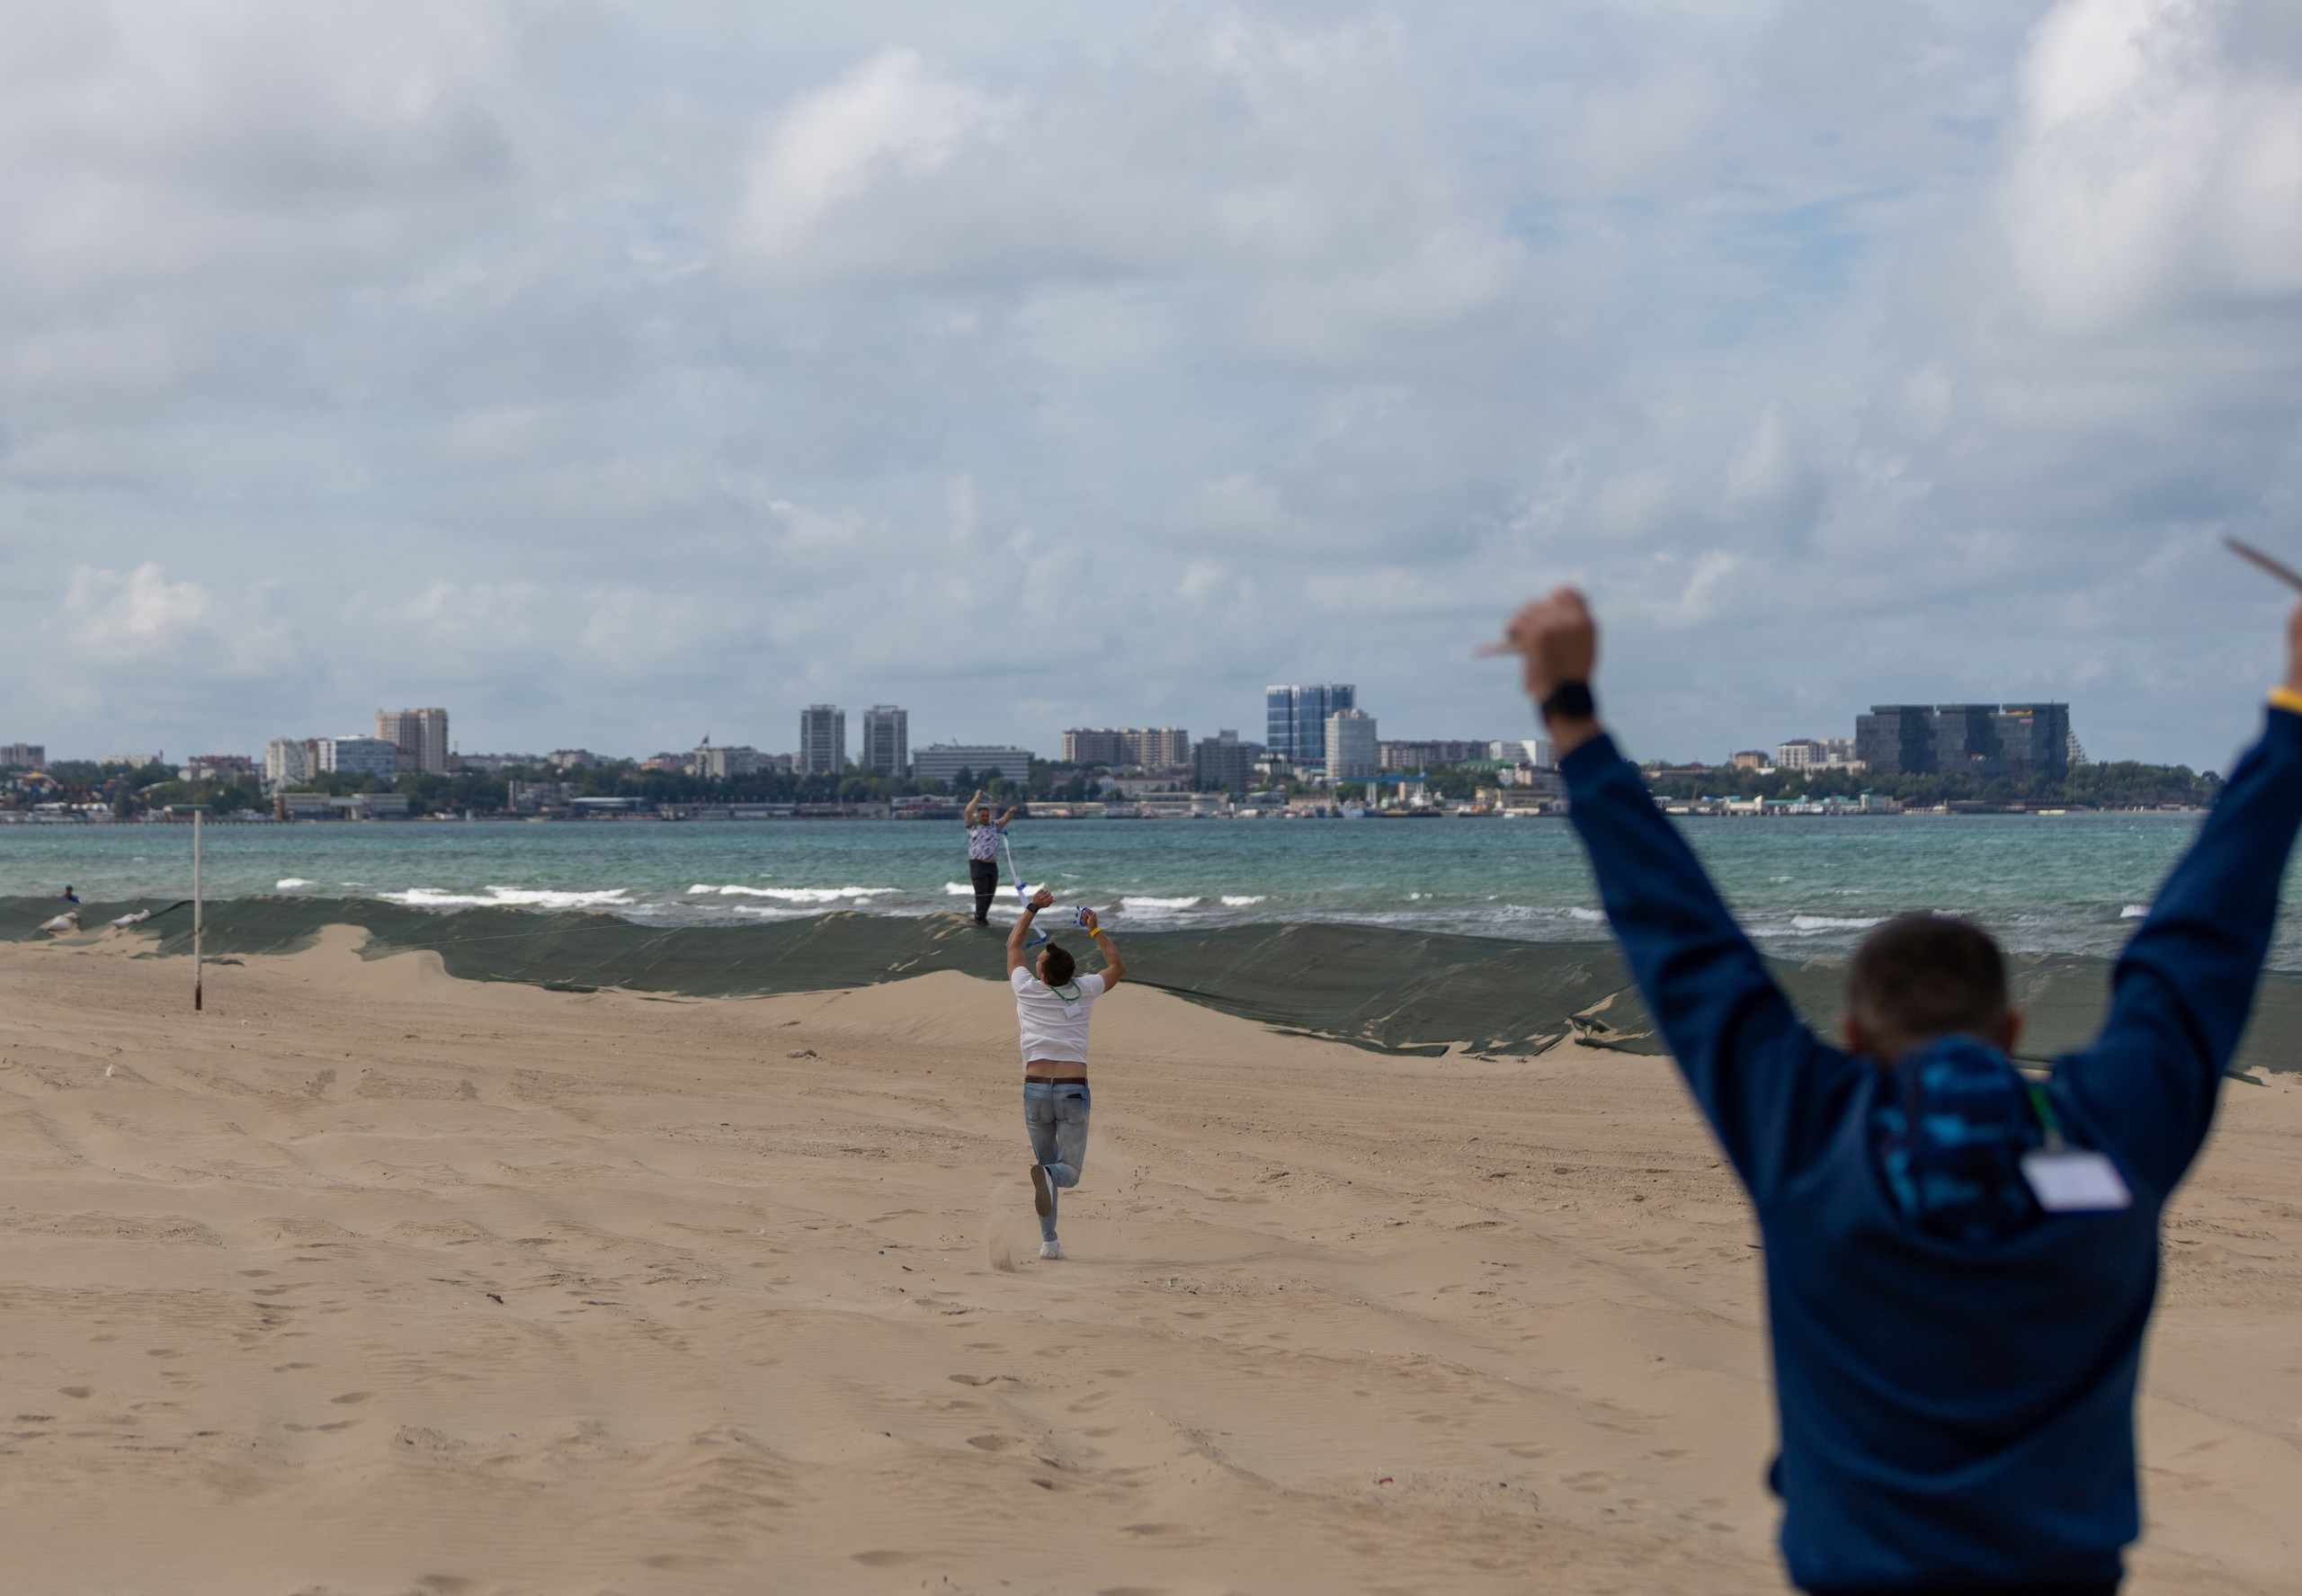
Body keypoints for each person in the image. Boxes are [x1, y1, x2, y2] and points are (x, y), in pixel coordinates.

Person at [1501, 585, 2302, 1596]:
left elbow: (1685, 940)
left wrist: (1569, 708)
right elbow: (2203, 941)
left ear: (1850, 1036)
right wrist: (2293, 706)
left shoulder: (1813, 1135)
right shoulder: (2107, 1141)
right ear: (2012, 1032)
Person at [1006, 887, 1127, 1261]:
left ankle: (1049, 1243)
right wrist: (1095, 930)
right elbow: (1117, 967)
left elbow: (1013, 945)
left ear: (1041, 975)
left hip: (1035, 1090)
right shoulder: (1084, 989)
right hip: (1072, 1091)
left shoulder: (1026, 989)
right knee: (1067, 1172)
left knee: (1047, 1169)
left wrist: (1033, 907)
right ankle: (1049, 1239)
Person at [963, 790, 1016, 926]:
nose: (985, 818)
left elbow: (1005, 819)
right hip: (978, 864)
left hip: (992, 865)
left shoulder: (994, 825)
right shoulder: (973, 826)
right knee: (982, 893)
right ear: (978, 816)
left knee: (990, 893)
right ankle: (979, 918)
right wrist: (976, 797)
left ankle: (983, 916)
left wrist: (1010, 811)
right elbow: (968, 811)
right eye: (983, 816)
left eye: (987, 815)